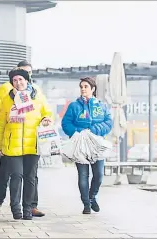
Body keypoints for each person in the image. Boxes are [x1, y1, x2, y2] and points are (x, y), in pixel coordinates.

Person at [0, 60, 46, 217]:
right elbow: (0, 122)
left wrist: (47, 119)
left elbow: (47, 112)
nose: (18, 82)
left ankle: (28, 209)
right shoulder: (7, 97)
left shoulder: (37, 95)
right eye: (15, 79)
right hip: (12, 144)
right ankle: (15, 209)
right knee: (15, 176)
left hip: (32, 144)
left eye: (22, 78)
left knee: (30, 178)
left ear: (27, 79)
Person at [60, 76, 112, 214]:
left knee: (99, 175)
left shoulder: (101, 106)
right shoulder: (74, 106)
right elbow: (66, 123)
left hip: (97, 144)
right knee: (83, 175)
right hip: (80, 144)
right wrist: (77, 132)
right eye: (81, 87)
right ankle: (86, 204)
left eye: (86, 87)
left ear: (93, 89)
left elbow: (108, 122)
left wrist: (94, 130)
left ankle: (92, 197)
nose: (83, 89)